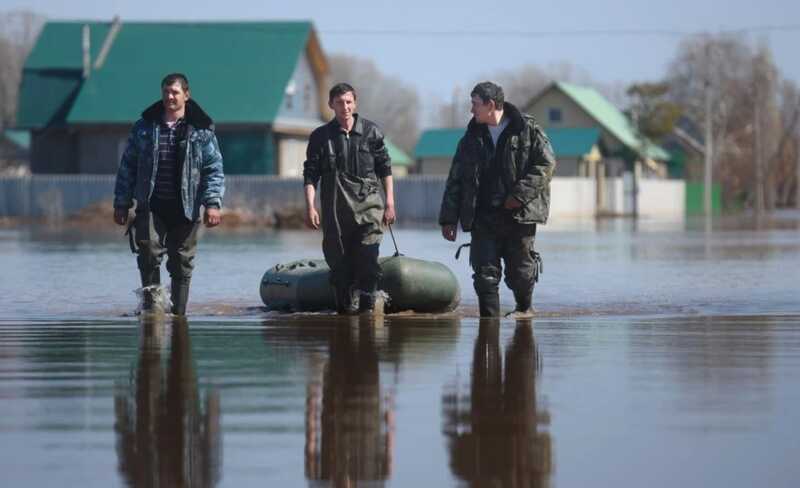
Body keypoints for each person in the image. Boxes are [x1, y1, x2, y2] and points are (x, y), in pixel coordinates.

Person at [439, 81, 556, 317]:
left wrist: (519, 195)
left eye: (475, 105)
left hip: (518, 214)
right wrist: (449, 219)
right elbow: (456, 178)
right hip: (483, 215)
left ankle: (524, 310)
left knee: (520, 273)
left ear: (491, 105)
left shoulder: (526, 129)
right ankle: (488, 328)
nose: (472, 111)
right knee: (485, 275)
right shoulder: (471, 137)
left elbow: (547, 164)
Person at [113, 73, 225, 316]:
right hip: (152, 204)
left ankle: (178, 315)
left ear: (186, 94)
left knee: (181, 262)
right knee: (149, 252)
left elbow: (213, 168)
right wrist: (121, 203)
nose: (170, 97)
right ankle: (153, 311)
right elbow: (128, 165)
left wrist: (213, 203)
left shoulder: (201, 129)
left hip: (187, 207)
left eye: (175, 92)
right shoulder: (145, 127)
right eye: (166, 92)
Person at [303, 83, 395, 314]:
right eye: (339, 102)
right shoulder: (320, 137)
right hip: (336, 212)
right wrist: (310, 206)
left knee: (369, 259)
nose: (345, 107)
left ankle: (367, 310)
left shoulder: (372, 132)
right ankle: (343, 315)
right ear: (331, 105)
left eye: (348, 102)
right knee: (340, 266)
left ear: (355, 103)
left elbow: (385, 169)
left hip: (369, 209)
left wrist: (390, 203)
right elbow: (310, 175)